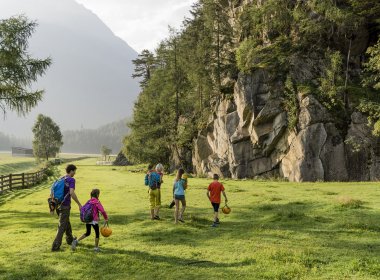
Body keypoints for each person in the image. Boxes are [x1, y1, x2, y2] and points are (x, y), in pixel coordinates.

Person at [52, 164, 82, 251]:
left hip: (58, 204)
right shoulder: (71, 180)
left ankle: (70, 239)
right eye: (74, 171)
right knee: (62, 225)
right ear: (71, 171)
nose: (75, 173)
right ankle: (55, 246)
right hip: (65, 205)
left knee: (66, 222)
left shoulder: (61, 178)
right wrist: (79, 204)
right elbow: (72, 193)